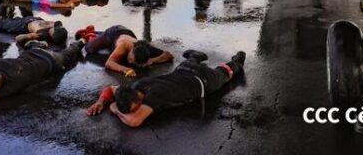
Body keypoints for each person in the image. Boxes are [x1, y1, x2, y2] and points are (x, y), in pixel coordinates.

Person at [86, 50, 246, 127]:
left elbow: (134, 121)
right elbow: (111, 89)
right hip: (183, 69)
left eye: (135, 108)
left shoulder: (154, 97)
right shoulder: (133, 88)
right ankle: (195, 57)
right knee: (187, 65)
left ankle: (238, 60)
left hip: (204, 80)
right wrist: (101, 102)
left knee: (226, 73)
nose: (135, 111)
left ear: (140, 99)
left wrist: (114, 108)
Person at [76, 24, 173, 76]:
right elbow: (109, 63)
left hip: (126, 33)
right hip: (113, 33)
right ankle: (90, 34)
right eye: (131, 59)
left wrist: (152, 60)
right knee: (89, 49)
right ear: (132, 50)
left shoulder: (146, 48)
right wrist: (125, 69)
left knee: (110, 50)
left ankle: (97, 35)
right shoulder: (123, 46)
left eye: (134, 63)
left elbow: (168, 55)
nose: (130, 61)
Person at [0, 4, 68, 45]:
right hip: (30, 19)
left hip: (22, 26)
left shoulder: (40, 34)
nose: (53, 27)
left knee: (3, 24)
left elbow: (19, 38)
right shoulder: (57, 25)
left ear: (52, 35)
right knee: (6, 13)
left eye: (53, 30)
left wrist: (26, 37)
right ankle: (0, 18)